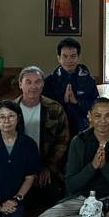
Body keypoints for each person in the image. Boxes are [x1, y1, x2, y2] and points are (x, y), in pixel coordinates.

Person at [29, 98, 109, 217]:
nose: (103, 121)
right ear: (90, 116)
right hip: (82, 199)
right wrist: (93, 166)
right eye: (97, 116)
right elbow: (71, 185)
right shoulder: (79, 141)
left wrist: (105, 167)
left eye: (108, 115)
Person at [14, 66, 70, 204]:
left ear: (43, 84)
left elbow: (63, 141)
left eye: (38, 82)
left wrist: (48, 167)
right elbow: (3, 144)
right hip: (19, 167)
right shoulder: (10, 110)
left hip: (46, 163)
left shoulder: (55, 108)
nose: (33, 87)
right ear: (20, 84)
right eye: (28, 82)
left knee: (54, 197)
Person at [43, 38, 99, 138]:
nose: (69, 61)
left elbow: (95, 106)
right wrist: (63, 101)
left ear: (78, 58)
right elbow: (45, 107)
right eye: (65, 56)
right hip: (56, 127)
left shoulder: (88, 80)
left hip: (83, 127)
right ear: (58, 58)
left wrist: (76, 102)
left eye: (73, 56)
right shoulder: (49, 81)